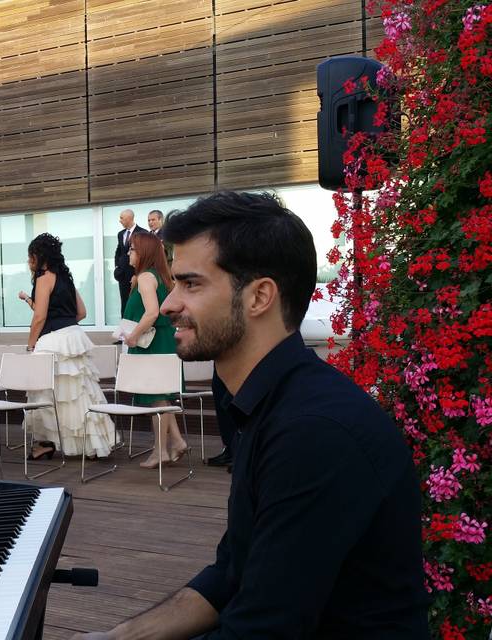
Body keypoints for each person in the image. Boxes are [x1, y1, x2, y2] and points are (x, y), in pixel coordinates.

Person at [73, 192, 429, 639]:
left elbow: (261, 628)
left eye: (192, 284)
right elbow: (232, 573)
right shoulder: (265, 400)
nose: (168, 305)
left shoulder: (314, 432)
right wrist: (116, 637)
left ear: (260, 296)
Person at [17, 233, 115, 459]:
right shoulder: (65, 278)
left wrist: (31, 345)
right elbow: (81, 312)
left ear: (37, 256)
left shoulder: (44, 278)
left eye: (30, 255)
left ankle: (48, 444)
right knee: (78, 395)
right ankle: (91, 445)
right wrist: (64, 323)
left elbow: (40, 316)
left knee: (47, 395)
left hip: (52, 341)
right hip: (73, 337)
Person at [120, 232, 187, 468]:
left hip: (153, 341)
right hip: (162, 340)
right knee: (162, 398)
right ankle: (176, 443)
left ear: (144, 252)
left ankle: (160, 452)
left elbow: (151, 312)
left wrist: (133, 336)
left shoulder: (147, 277)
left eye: (132, 249)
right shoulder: (159, 275)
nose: (129, 253)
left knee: (157, 400)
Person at [113, 209, 145, 317]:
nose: (120, 220)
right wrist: (117, 267)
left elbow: (144, 256)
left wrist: (137, 274)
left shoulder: (142, 233)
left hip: (136, 275)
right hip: (122, 275)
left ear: (129, 218)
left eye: (122, 218)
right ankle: (124, 328)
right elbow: (118, 251)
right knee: (124, 303)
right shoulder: (120, 234)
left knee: (135, 303)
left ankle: (136, 329)